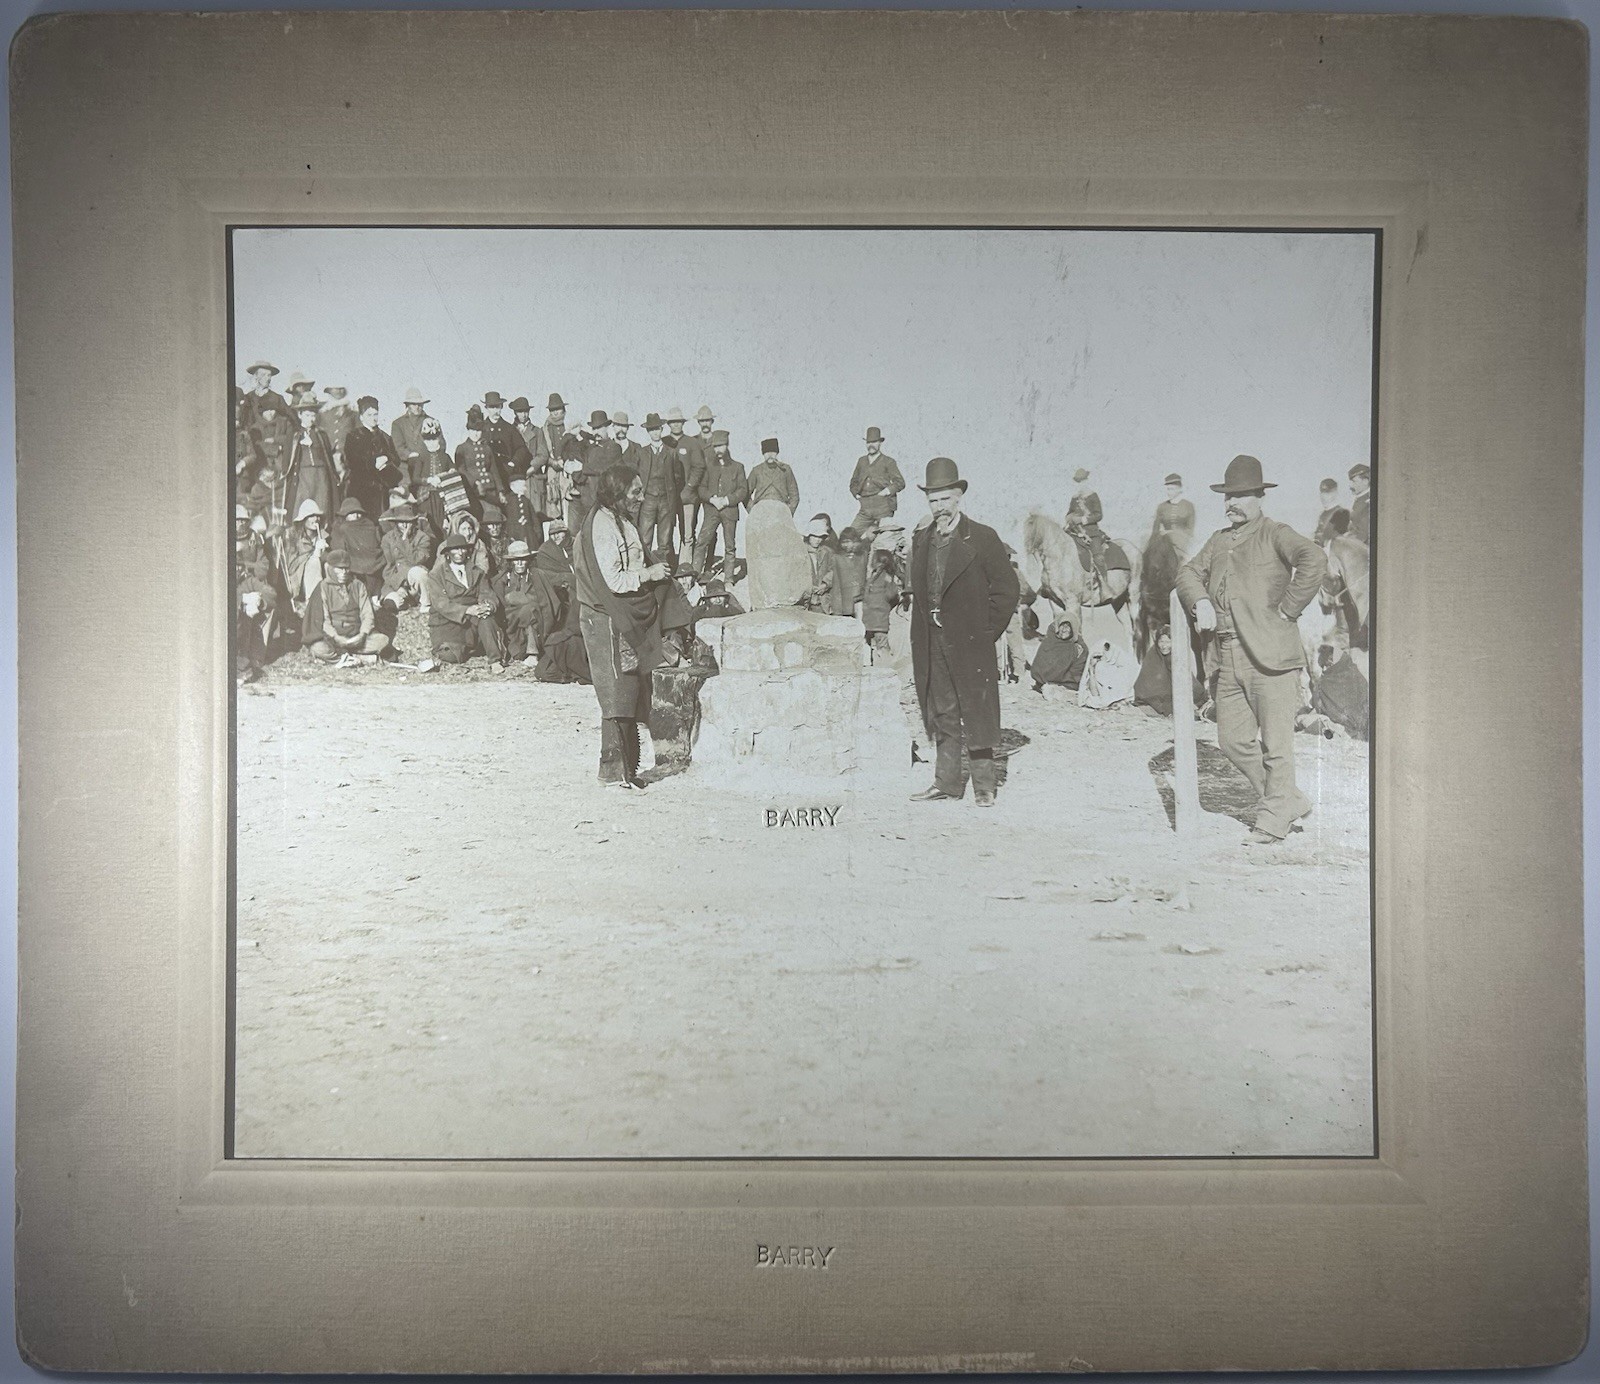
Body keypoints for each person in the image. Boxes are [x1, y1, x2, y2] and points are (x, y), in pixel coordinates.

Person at [1174, 453, 1328, 844]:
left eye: (1241, 496)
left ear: (1260, 496)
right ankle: (1287, 799)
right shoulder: (1219, 540)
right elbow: (1187, 572)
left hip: (1271, 657)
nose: (1232, 504)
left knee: (1277, 747)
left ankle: (1273, 821)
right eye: (1228, 496)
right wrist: (1200, 602)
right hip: (1226, 655)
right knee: (1232, 741)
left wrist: (1289, 610)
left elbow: (1314, 557)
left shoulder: (1275, 532)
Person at [573, 465, 697, 788]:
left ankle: (621, 770)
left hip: (622, 610)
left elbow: (634, 563)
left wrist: (653, 569)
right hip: (605, 615)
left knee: (624, 689)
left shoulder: (622, 521)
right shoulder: (602, 526)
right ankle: (615, 770)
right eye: (635, 492)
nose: (641, 498)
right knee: (616, 691)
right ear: (617, 493)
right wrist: (648, 575)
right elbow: (612, 580)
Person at [908, 457, 1020, 806]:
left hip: (971, 641)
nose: (939, 507)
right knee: (942, 710)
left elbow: (1007, 589)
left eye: (945, 499)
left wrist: (986, 632)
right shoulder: (922, 540)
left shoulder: (983, 538)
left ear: (958, 497)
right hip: (933, 639)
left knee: (976, 709)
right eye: (933, 500)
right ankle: (947, 782)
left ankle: (984, 786)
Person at [425, 533, 508, 670]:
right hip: (448, 622)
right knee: (450, 655)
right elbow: (441, 603)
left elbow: (487, 593)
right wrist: (467, 610)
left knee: (486, 618)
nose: (459, 553)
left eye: (462, 549)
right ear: (447, 553)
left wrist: (487, 606)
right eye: (455, 549)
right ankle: (469, 649)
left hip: (474, 619)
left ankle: (495, 661)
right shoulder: (437, 575)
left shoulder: (477, 571)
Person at [303, 548, 391, 666]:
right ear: (330, 568)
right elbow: (324, 620)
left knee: (382, 640)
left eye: (346, 568)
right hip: (333, 638)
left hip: (356, 636)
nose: (344, 572)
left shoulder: (358, 585)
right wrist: (337, 637)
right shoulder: (323, 587)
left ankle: (350, 656)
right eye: (339, 568)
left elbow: (367, 614)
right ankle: (344, 658)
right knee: (318, 648)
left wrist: (362, 634)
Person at [493, 539, 558, 666]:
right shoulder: (502, 580)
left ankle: (532, 652)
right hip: (513, 628)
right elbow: (501, 610)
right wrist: (515, 600)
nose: (520, 563)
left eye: (523, 559)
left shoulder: (538, 576)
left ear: (529, 560)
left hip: (538, 625)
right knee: (518, 653)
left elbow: (550, 603)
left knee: (530, 610)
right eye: (516, 560)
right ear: (510, 561)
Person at [695, 429, 748, 578]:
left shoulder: (738, 467)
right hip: (712, 511)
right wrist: (712, 499)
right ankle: (694, 576)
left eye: (721, 446)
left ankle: (729, 579)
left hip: (729, 512)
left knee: (730, 547)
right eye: (716, 446)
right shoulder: (709, 467)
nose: (718, 450)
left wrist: (726, 500)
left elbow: (743, 490)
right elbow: (701, 488)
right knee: (701, 542)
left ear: (727, 445)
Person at [341, 396, 400, 521]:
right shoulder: (353, 436)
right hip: (360, 489)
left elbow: (396, 459)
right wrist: (373, 462)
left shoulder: (385, 437)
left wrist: (387, 458)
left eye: (375, 414)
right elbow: (351, 461)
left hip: (381, 491)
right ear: (361, 417)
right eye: (369, 415)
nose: (373, 418)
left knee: (381, 521)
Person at [1132, 625, 1207, 718]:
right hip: (1154, 696)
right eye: (1161, 641)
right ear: (1157, 642)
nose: (1164, 646)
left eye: (1168, 642)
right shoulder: (1153, 655)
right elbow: (1149, 686)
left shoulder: (1176, 655)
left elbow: (1187, 679)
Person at [635, 412, 681, 562]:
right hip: (647, 500)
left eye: (657, 429)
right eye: (651, 429)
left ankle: (664, 575)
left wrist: (671, 495)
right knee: (645, 538)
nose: (655, 432)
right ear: (648, 432)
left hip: (666, 501)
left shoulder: (671, 453)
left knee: (664, 541)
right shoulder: (642, 453)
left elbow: (678, 478)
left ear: (662, 430)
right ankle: (646, 571)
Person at [283, 397, 337, 521]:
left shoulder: (321, 434)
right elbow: (287, 460)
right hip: (303, 475)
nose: (311, 419)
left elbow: (328, 458)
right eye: (307, 415)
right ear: (300, 415)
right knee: (302, 505)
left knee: (323, 505)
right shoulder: (294, 434)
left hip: (321, 476)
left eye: (313, 415)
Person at [378, 501, 434, 613]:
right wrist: (398, 586)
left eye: (408, 522)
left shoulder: (423, 538)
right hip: (396, 581)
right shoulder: (388, 539)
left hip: (415, 581)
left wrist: (405, 540)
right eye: (401, 522)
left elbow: (416, 560)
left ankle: (425, 603)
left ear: (414, 522)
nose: (404, 525)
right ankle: (406, 599)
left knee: (418, 572)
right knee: (392, 604)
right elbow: (388, 566)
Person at [675, 406, 712, 566]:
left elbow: (699, 466)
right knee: (668, 533)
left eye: (678, 422)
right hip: (670, 497)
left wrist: (689, 486)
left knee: (689, 533)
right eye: (672, 422)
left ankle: (687, 567)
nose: (675, 425)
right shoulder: (665, 442)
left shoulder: (691, 442)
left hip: (690, 495)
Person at [848, 426, 905, 529]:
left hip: (883, 507)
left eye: (874, 442)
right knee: (850, 535)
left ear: (880, 443)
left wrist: (886, 491)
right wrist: (856, 494)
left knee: (885, 537)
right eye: (869, 442)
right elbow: (853, 481)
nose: (871, 445)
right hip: (865, 507)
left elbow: (900, 482)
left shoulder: (888, 461)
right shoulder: (861, 461)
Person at [330, 495, 385, 598]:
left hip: (375, 570)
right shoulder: (341, 529)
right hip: (354, 571)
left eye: (358, 512)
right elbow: (338, 551)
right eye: (351, 513)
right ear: (344, 515)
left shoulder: (369, 526)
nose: (355, 515)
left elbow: (376, 547)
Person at [455, 406, 507, 513]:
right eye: (473, 430)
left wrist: (501, 491)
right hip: (474, 491)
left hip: (491, 490)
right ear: (468, 430)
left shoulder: (487, 448)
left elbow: (494, 471)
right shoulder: (462, 448)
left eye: (478, 430)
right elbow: (461, 470)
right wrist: (476, 483)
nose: (476, 434)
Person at [390, 387, 434, 495]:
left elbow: (441, 444)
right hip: (406, 468)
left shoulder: (432, 422)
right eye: (414, 404)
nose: (418, 407)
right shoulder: (398, 424)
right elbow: (398, 447)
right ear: (408, 405)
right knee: (405, 494)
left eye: (420, 404)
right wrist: (410, 455)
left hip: (427, 466)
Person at [1028, 615, 1088, 694]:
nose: (1064, 630)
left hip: (1067, 683)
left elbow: (1076, 674)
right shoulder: (1050, 640)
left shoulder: (1078, 647)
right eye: (1062, 626)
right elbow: (1038, 665)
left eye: (1068, 627)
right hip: (1043, 681)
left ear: (1073, 629)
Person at [862, 546, 901, 662]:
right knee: (881, 645)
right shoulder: (886, 576)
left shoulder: (873, 577)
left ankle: (875, 664)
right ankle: (884, 664)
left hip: (870, 616)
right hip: (880, 618)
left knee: (872, 644)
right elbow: (891, 596)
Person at [481, 391, 531, 481]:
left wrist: (513, 463)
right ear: (486, 408)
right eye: (492, 407)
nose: (496, 411)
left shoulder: (509, 428)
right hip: (488, 476)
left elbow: (522, 448)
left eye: (498, 407)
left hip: (507, 474)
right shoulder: (481, 429)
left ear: (501, 407)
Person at [746, 436, 800, 513]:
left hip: (781, 510)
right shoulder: (756, 470)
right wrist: (752, 510)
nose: (770, 455)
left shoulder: (786, 469)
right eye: (767, 452)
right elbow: (745, 493)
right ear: (763, 454)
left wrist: (789, 511)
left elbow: (794, 494)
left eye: (773, 452)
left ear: (777, 453)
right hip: (761, 510)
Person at [801, 516, 840, 614]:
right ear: (808, 536)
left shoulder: (827, 552)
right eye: (814, 536)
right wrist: (808, 586)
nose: (817, 540)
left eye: (820, 537)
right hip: (806, 601)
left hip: (823, 601)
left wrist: (825, 584)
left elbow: (833, 569)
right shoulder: (800, 552)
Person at [1150, 473, 1196, 554]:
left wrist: (1173, 533)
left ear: (1180, 489)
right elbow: (1155, 530)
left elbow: (1190, 529)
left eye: (1172, 489)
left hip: (1183, 542)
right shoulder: (1162, 507)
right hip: (1164, 540)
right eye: (1168, 489)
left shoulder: (1188, 506)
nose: (1169, 492)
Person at [238, 360, 288, 433]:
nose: (267, 378)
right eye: (263, 374)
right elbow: (243, 421)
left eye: (269, 375)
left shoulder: (278, 398)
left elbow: (289, 420)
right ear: (256, 376)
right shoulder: (248, 398)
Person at [1313, 477, 1351, 547]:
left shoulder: (1342, 513)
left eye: (1328, 493)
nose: (1323, 496)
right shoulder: (1323, 514)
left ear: (1335, 493)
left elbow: (1339, 540)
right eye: (1322, 492)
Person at [1347, 463, 1372, 545]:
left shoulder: (1369, 503)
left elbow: (1363, 533)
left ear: (1365, 481)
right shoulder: (1360, 499)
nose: (1351, 485)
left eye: (1354, 482)